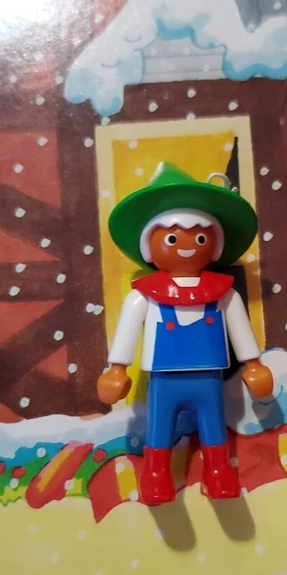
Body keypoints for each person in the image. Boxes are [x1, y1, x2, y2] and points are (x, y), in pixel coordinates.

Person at [97, 162, 274, 506]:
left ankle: (219, 473)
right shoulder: (144, 296)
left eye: (201, 237)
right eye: (172, 238)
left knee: (213, 425)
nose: (188, 246)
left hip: (209, 377)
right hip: (164, 378)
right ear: (150, 246)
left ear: (215, 245)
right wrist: (116, 369)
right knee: (159, 428)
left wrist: (253, 364)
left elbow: (240, 328)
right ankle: (155, 476)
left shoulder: (223, 294)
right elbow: (127, 332)